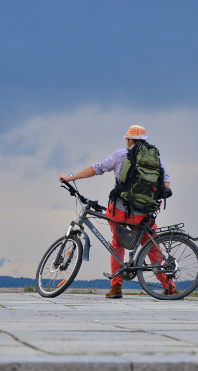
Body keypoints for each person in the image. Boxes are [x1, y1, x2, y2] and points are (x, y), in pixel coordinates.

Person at [58, 124, 174, 298]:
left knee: (117, 245)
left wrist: (70, 178)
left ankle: (116, 287)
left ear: (130, 140)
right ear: (144, 141)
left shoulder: (121, 154)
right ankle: (170, 287)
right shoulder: (156, 159)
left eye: (127, 139)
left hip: (120, 212)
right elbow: (166, 185)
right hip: (144, 214)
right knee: (152, 248)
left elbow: (95, 169)